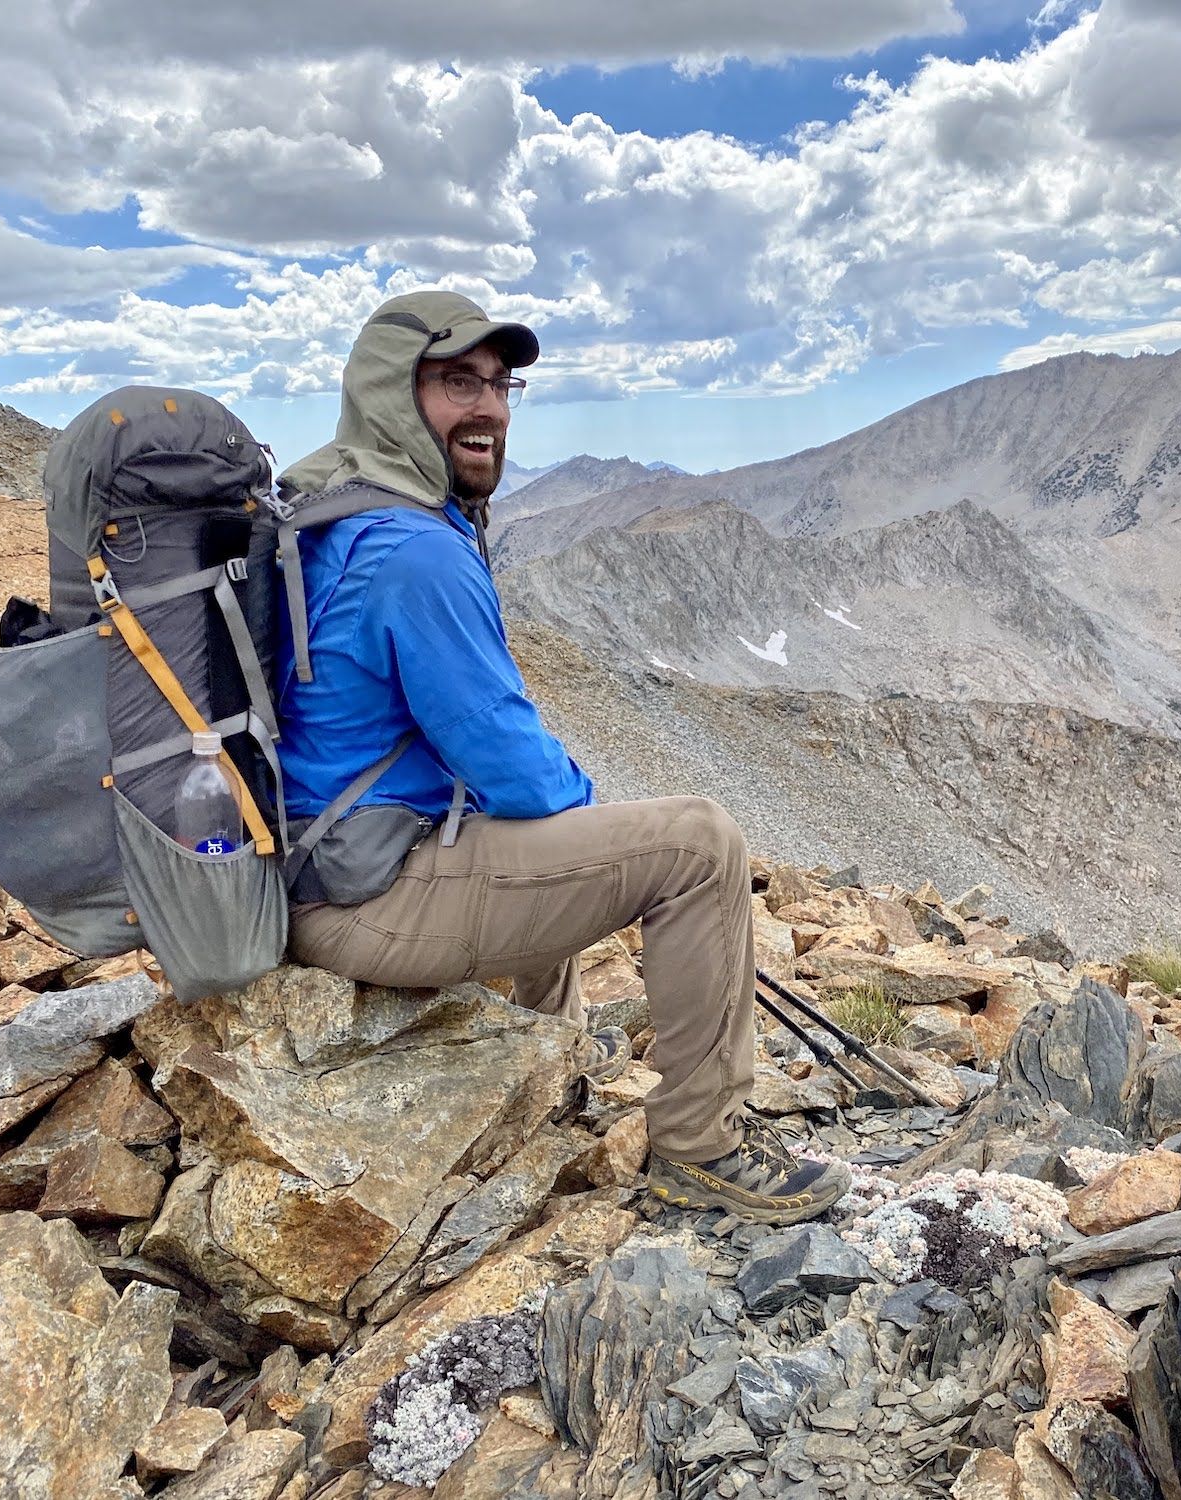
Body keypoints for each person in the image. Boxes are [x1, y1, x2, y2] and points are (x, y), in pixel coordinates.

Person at [276, 289, 849, 1225]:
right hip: (358, 897)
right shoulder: (413, 551)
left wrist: (579, 827)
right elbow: (516, 770)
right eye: (457, 381)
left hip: (326, 862)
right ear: (390, 393)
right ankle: (703, 1149)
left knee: (554, 836)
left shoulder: (341, 501)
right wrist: (600, 823)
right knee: (696, 844)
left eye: (501, 385)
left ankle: (546, 1073)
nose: (490, 408)